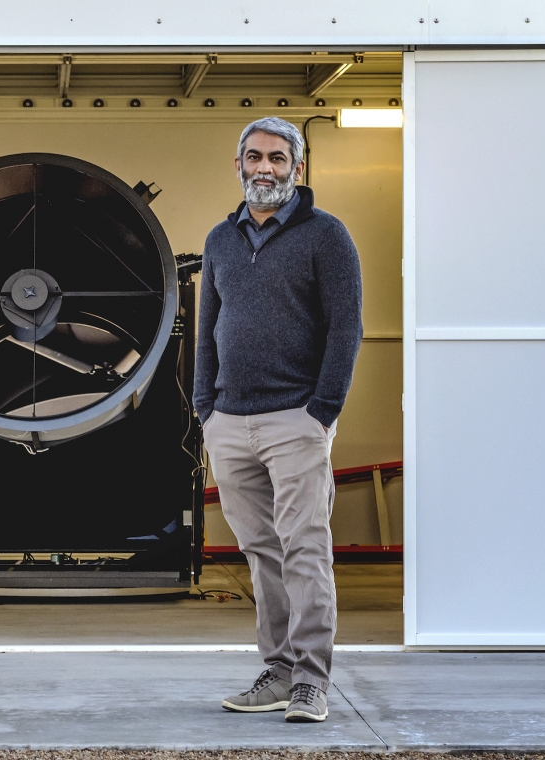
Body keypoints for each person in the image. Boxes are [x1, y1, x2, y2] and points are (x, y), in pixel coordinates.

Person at [194, 117, 362, 723]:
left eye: (278, 158)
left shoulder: (326, 236)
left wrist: (323, 410)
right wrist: (203, 406)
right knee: (262, 553)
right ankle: (280, 670)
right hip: (230, 421)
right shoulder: (220, 239)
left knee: (305, 550)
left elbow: (347, 328)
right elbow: (209, 326)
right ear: (238, 165)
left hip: (297, 419)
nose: (265, 168)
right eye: (255, 157)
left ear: (298, 168)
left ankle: (313, 681)